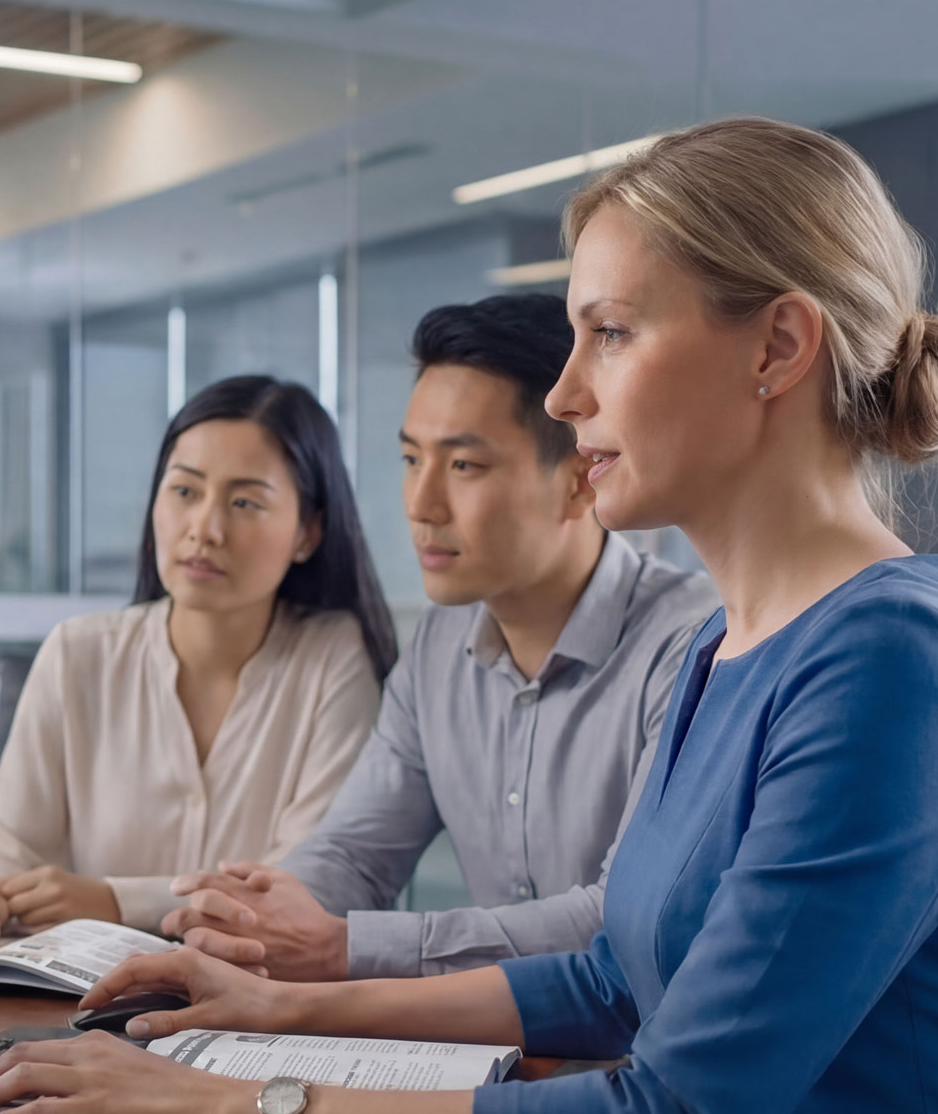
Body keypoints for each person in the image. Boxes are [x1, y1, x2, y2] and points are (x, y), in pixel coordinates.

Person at [0, 116, 938, 1114]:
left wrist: (234, 1103)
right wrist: (282, 1007)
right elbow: (610, 973)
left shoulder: (893, 665)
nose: (565, 394)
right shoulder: (735, 641)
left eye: (610, 332)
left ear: (777, 345)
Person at [160, 294, 717, 983]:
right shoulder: (438, 646)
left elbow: (620, 918)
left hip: (632, 1067)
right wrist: (253, 921)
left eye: (463, 467)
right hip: (490, 1049)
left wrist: (346, 946)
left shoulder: (691, 645)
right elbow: (356, 853)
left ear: (580, 479)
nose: (420, 506)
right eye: (410, 459)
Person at [0, 375, 398, 939]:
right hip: (73, 1002)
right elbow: (7, 845)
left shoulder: (334, 659)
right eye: (184, 491)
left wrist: (115, 901)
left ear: (308, 532)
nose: (205, 529)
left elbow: (304, 885)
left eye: (245, 502)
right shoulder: (80, 652)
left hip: (261, 1006)